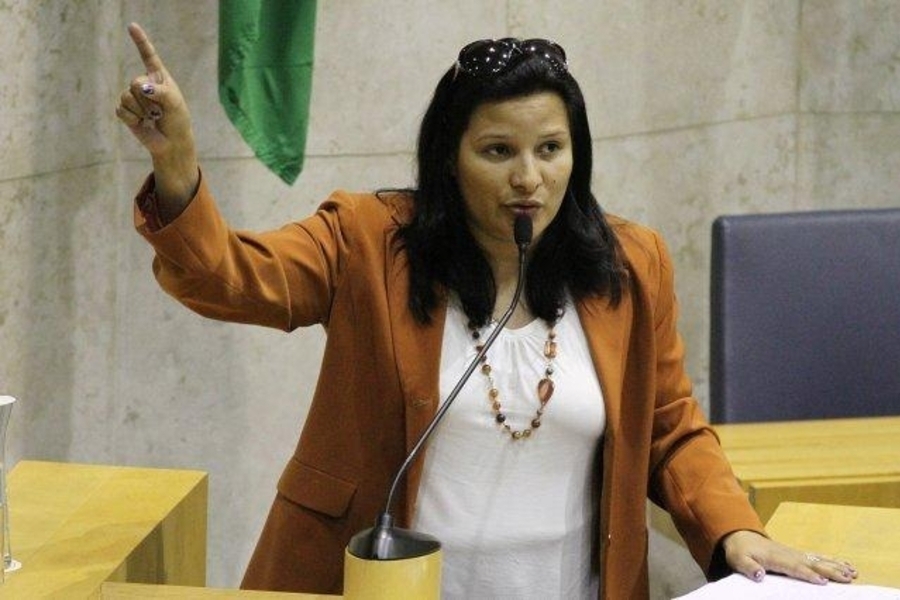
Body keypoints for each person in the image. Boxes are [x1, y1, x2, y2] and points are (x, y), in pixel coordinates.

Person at [117, 22, 857, 599]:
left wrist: (732, 531)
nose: (529, 179)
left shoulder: (632, 265)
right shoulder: (369, 241)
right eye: (498, 151)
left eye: (551, 148)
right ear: (450, 157)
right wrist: (177, 166)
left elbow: (669, 429)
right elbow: (231, 277)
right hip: (384, 591)